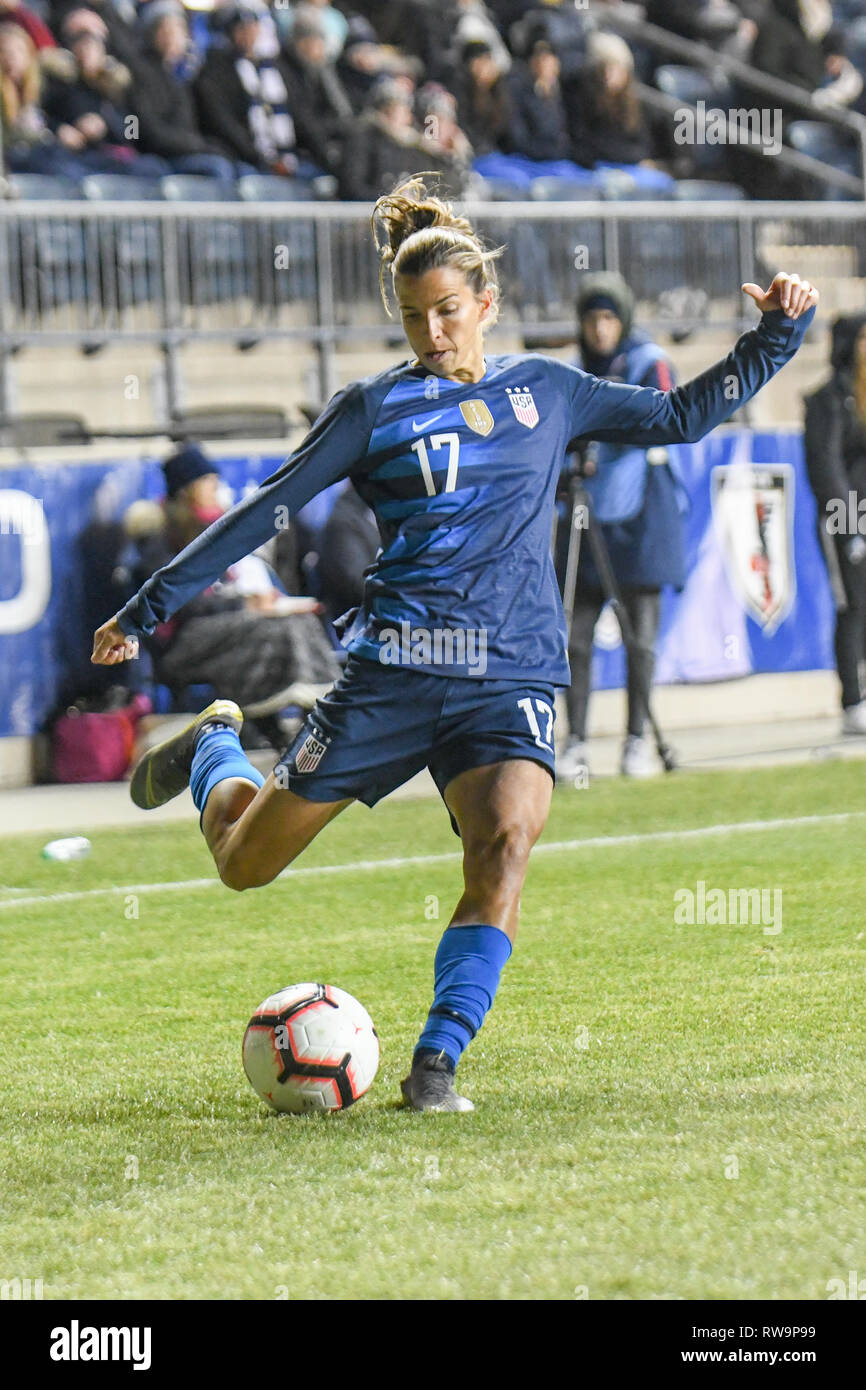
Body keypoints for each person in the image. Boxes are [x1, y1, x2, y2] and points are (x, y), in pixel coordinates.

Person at [92, 176, 818, 1113]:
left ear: (486, 304)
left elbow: (676, 419)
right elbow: (266, 509)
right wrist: (149, 606)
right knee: (243, 863)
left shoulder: (547, 392)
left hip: (507, 672)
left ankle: (436, 1064)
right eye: (412, 318)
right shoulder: (372, 410)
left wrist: (775, 339)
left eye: (446, 312)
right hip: (393, 674)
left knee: (506, 840)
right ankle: (215, 744)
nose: (432, 334)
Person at [116, 444, 340, 746]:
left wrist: (259, 600)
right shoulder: (162, 538)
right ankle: (265, 720)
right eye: (208, 482)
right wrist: (244, 603)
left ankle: (321, 712)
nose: (216, 489)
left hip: (226, 626)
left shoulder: (216, 528)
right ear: (187, 488)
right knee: (270, 629)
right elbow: (183, 603)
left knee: (299, 622)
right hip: (182, 642)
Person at [557, 273, 685, 781]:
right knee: (576, 637)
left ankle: (636, 741)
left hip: (643, 514)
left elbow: (662, 418)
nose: (600, 328)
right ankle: (577, 742)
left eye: (609, 317)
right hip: (586, 518)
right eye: (591, 319)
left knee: (640, 635)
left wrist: (600, 442)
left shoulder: (649, 362)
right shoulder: (569, 371)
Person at [804, 314, 866, 735]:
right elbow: (826, 467)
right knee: (853, 607)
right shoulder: (829, 399)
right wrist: (851, 525)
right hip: (844, 520)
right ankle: (852, 701)